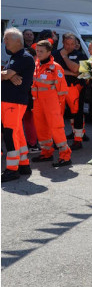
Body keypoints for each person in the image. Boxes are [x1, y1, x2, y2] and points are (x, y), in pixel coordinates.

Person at [30, 40, 72, 167]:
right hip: (38, 102)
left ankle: (65, 155)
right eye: (37, 51)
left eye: (41, 51)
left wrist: (58, 106)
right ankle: (46, 152)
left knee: (56, 129)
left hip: (52, 103)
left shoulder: (55, 67)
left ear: (49, 52)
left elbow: (62, 90)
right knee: (41, 128)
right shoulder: (36, 64)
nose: (38, 53)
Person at [1, 28, 34, 182]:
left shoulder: (24, 57)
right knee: (17, 133)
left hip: (13, 101)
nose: (4, 41)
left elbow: (7, 74)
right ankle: (24, 164)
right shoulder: (16, 57)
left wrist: (8, 75)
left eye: (7, 39)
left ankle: (12, 169)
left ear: (18, 41)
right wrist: (8, 75)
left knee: (10, 134)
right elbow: (7, 74)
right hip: (12, 101)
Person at [53, 32, 88, 149]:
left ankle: (78, 140)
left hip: (76, 88)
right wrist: (69, 72)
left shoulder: (81, 55)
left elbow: (77, 70)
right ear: (63, 43)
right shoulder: (54, 54)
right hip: (58, 89)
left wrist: (64, 57)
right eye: (67, 44)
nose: (70, 46)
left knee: (77, 113)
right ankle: (58, 139)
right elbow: (53, 71)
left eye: (72, 43)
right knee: (58, 114)